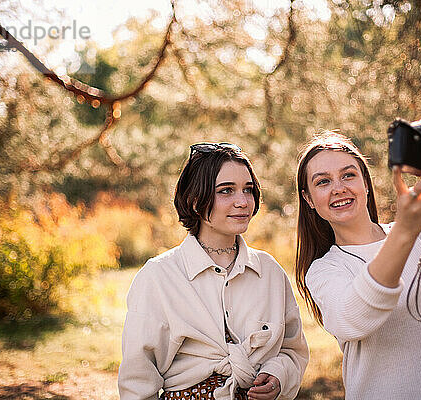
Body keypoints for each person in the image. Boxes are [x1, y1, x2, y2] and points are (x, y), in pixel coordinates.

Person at [294, 122, 421, 399]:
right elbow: (354, 317)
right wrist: (405, 232)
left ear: (365, 184)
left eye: (348, 175)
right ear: (309, 199)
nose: (338, 188)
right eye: (323, 181)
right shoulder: (324, 270)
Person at [119, 142, 308, 400]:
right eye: (226, 191)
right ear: (195, 200)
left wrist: (278, 376)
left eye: (248, 190)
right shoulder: (159, 275)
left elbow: (292, 350)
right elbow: (137, 377)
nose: (242, 202)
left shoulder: (271, 272)